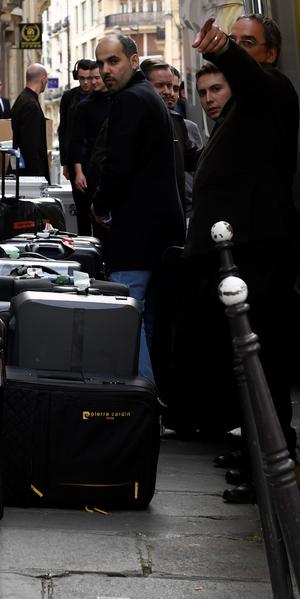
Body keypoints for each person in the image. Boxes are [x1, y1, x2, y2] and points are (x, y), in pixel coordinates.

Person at [183, 13, 300, 504]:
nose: (239, 49)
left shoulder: (271, 89)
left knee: (262, 360)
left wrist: (220, 49)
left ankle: (272, 466)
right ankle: (257, 449)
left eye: (248, 43)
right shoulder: (241, 106)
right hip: (239, 250)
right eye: (234, 41)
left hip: (260, 248)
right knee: (245, 359)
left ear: (269, 54)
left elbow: (250, 80)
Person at [91, 34, 184, 382]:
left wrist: (100, 205)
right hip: (161, 235)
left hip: (138, 237)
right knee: (146, 322)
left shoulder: (131, 100)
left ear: (133, 61)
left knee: (127, 318)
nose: (105, 71)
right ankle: (151, 400)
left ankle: (142, 405)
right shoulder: (145, 97)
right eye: (101, 63)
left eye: (112, 61)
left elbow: (118, 166)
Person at [147, 63, 203, 217]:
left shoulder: (178, 123)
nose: (168, 92)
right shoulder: (131, 120)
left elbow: (193, 160)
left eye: (172, 87)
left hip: (178, 212)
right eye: (160, 86)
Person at [66, 63, 108, 236]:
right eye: (90, 78)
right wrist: (78, 172)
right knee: (90, 214)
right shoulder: (84, 106)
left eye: (96, 78)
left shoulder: (120, 100)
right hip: (90, 167)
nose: (92, 82)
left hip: (110, 166)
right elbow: (75, 141)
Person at [11, 63, 50, 177]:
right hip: (31, 172)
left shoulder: (22, 99)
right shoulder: (30, 104)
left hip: (24, 169)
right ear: (43, 80)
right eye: (46, 80)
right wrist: (37, 176)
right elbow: (30, 143)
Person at [57, 60, 93, 180]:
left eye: (89, 78)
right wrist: (65, 163)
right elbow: (63, 130)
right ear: (77, 77)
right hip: (73, 155)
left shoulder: (102, 95)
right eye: (82, 78)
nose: (86, 82)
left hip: (95, 156)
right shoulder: (69, 97)